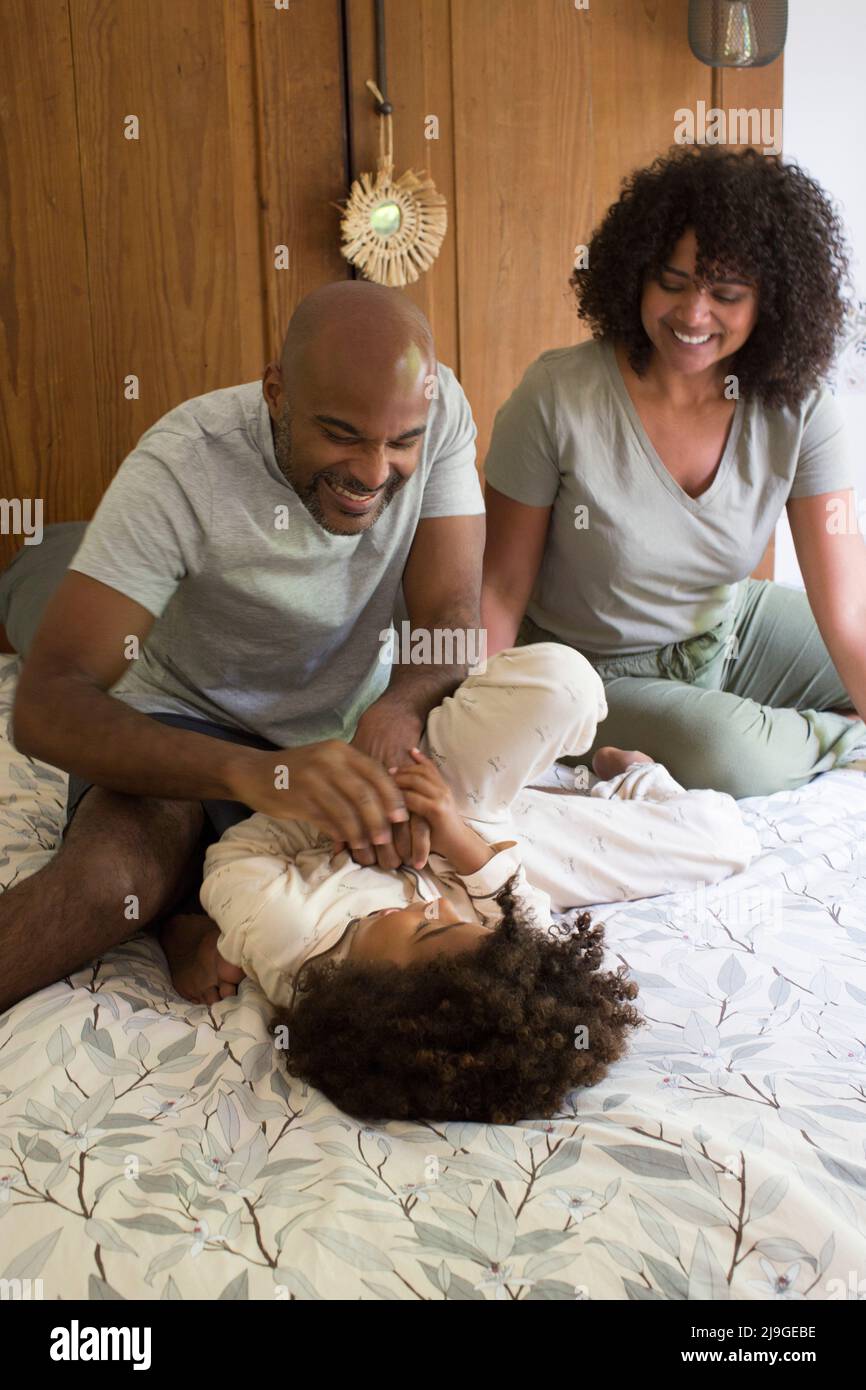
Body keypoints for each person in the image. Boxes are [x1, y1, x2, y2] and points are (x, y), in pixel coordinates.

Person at [0, 280, 485, 1012]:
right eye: (342, 434)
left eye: (400, 442)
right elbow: (44, 709)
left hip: (341, 728)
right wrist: (257, 773)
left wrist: (398, 707)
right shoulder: (182, 463)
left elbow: (451, 611)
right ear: (275, 392)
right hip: (181, 714)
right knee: (111, 884)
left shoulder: (438, 408)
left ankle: (190, 920)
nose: (373, 472)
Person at [161, 643, 760, 1123]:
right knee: (726, 835)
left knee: (566, 710)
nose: (431, 907)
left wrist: (348, 815)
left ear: (373, 994)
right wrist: (452, 833)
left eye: (427, 928)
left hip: (356, 797)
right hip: (471, 824)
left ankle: (547, 781)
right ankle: (630, 776)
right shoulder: (481, 952)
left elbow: (239, 853)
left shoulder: (284, 931)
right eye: (465, 922)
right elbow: (520, 912)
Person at [481, 146, 866, 798]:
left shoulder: (801, 411)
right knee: (730, 755)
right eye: (673, 281)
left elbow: (849, 613)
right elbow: (497, 589)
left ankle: (792, 733)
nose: (693, 314)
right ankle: (834, 739)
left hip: (732, 631)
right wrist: (481, 720)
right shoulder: (555, 396)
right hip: (592, 668)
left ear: (771, 300)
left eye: (727, 294)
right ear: (634, 273)